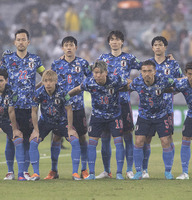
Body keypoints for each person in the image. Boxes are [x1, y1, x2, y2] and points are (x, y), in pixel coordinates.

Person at [67, 60, 128, 180]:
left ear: (105, 73)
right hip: (97, 116)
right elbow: (78, 89)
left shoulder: (115, 80)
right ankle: (92, 174)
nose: (97, 75)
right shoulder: (89, 82)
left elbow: (127, 85)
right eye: (95, 73)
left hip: (114, 116)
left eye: (100, 73)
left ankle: (119, 173)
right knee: (92, 143)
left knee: (118, 142)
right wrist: (65, 96)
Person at [0, 29, 45, 180]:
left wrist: (35, 89)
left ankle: (24, 171)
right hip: (12, 106)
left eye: (23, 39)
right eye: (18, 39)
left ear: (28, 42)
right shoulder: (7, 59)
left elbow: (45, 76)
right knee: (11, 138)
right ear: (14, 42)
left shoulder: (35, 60)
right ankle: (10, 171)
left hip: (29, 107)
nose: (20, 42)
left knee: (26, 139)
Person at [96, 30, 141, 179]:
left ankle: (129, 170)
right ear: (109, 42)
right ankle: (107, 170)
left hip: (123, 102)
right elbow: (94, 75)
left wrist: (133, 83)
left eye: (118, 39)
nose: (114, 42)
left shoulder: (129, 58)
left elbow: (146, 68)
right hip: (106, 104)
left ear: (122, 42)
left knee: (127, 136)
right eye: (112, 39)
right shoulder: (102, 59)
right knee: (105, 137)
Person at [45, 36, 91, 180]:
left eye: (71, 45)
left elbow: (91, 78)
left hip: (78, 107)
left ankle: (84, 169)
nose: (69, 47)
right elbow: (50, 81)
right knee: (57, 137)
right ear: (63, 48)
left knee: (82, 137)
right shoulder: (56, 64)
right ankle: (53, 170)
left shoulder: (83, 63)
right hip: (61, 108)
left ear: (76, 47)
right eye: (66, 45)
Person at [142, 36, 184, 179]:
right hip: (148, 109)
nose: (158, 47)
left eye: (160, 45)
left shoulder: (172, 64)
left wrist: (171, 89)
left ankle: (168, 171)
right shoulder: (147, 64)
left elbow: (181, 81)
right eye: (155, 45)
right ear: (152, 48)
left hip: (166, 108)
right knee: (146, 139)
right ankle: (144, 170)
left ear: (165, 47)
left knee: (167, 139)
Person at [29, 70, 81, 181]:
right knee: (33, 142)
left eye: (50, 81)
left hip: (62, 122)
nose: (48, 83)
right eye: (46, 81)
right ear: (42, 82)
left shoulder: (62, 92)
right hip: (45, 122)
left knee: (75, 140)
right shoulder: (38, 93)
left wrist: (70, 128)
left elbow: (69, 109)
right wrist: (36, 130)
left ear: (56, 81)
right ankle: (36, 174)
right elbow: (34, 111)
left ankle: (75, 173)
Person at [129, 60, 176, 180]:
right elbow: (125, 87)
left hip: (161, 115)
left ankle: (168, 172)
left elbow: (178, 84)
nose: (147, 74)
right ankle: (139, 171)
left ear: (155, 71)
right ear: (141, 72)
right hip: (144, 116)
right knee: (139, 141)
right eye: (144, 71)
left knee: (165, 141)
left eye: (150, 71)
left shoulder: (164, 80)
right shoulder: (137, 82)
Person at [0, 69, 25, 181]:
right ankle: (11, 172)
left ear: (6, 80)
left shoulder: (12, 91)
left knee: (18, 140)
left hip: (7, 120)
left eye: (1, 80)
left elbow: (11, 111)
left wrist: (15, 129)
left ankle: (19, 174)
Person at [175, 62, 192, 180]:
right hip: (191, 115)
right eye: (190, 74)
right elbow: (169, 86)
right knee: (185, 139)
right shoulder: (183, 83)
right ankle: (185, 172)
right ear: (186, 74)